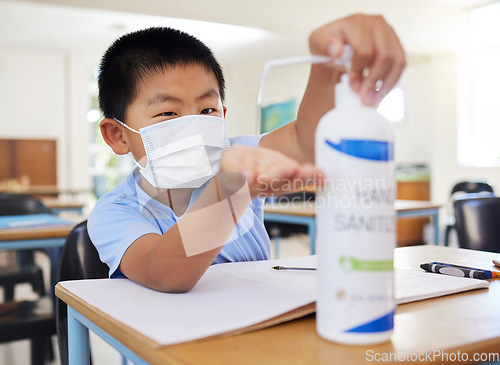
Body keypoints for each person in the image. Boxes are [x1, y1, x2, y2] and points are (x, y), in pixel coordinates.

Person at [88, 13, 405, 293]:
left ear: (222, 114)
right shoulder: (115, 212)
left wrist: (328, 67)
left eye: (207, 109)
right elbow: (165, 274)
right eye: (168, 113)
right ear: (117, 135)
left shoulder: (237, 155)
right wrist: (231, 188)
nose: (194, 126)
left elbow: (308, 144)